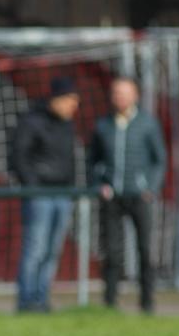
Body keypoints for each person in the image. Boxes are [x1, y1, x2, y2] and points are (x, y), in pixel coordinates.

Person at [89, 77, 166, 313]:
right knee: (111, 250)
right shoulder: (103, 125)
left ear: (135, 96)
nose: (119, 98)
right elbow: (92, 160)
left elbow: (159, 159)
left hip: (138, 196)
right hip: (112, 196)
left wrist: (150, 187)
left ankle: (147, 302)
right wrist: (99, 183)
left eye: (124, 93)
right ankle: (110, 302)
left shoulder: (147, 123)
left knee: (145, 249)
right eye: (116, 93)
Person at [10, 76, 80, 312]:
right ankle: (26, 300)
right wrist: (33, 185)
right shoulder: (32, 121)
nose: (73, 106)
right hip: (40, 195)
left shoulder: (67, 125)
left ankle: (42, 298)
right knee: (35, 248)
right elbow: (19, 157)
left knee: (52, 250)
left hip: (62, 194)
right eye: (70, 100)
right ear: (57, 100)